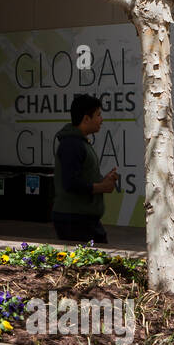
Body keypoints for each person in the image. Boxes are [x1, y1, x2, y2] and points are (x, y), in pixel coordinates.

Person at [52, 93, 118, 243]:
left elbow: (82, 178)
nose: (101, 120)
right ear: (86, 119)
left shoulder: (80, 143)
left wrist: (103, 181)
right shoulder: (72, 144)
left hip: (83, 218)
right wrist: (102, 187)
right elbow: (70, 183)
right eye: (98, 115)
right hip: (74, 218)